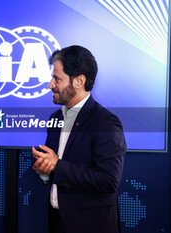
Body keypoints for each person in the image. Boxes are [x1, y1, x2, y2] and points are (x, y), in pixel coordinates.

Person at [32, 45, 126, 233]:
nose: (50, 84)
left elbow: (108, 180)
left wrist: (57, 166)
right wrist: (45, 170)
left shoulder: (106, 122)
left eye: (57, 78)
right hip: (58, 222)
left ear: (79, 81)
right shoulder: (55, 118)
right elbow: (54, 168)